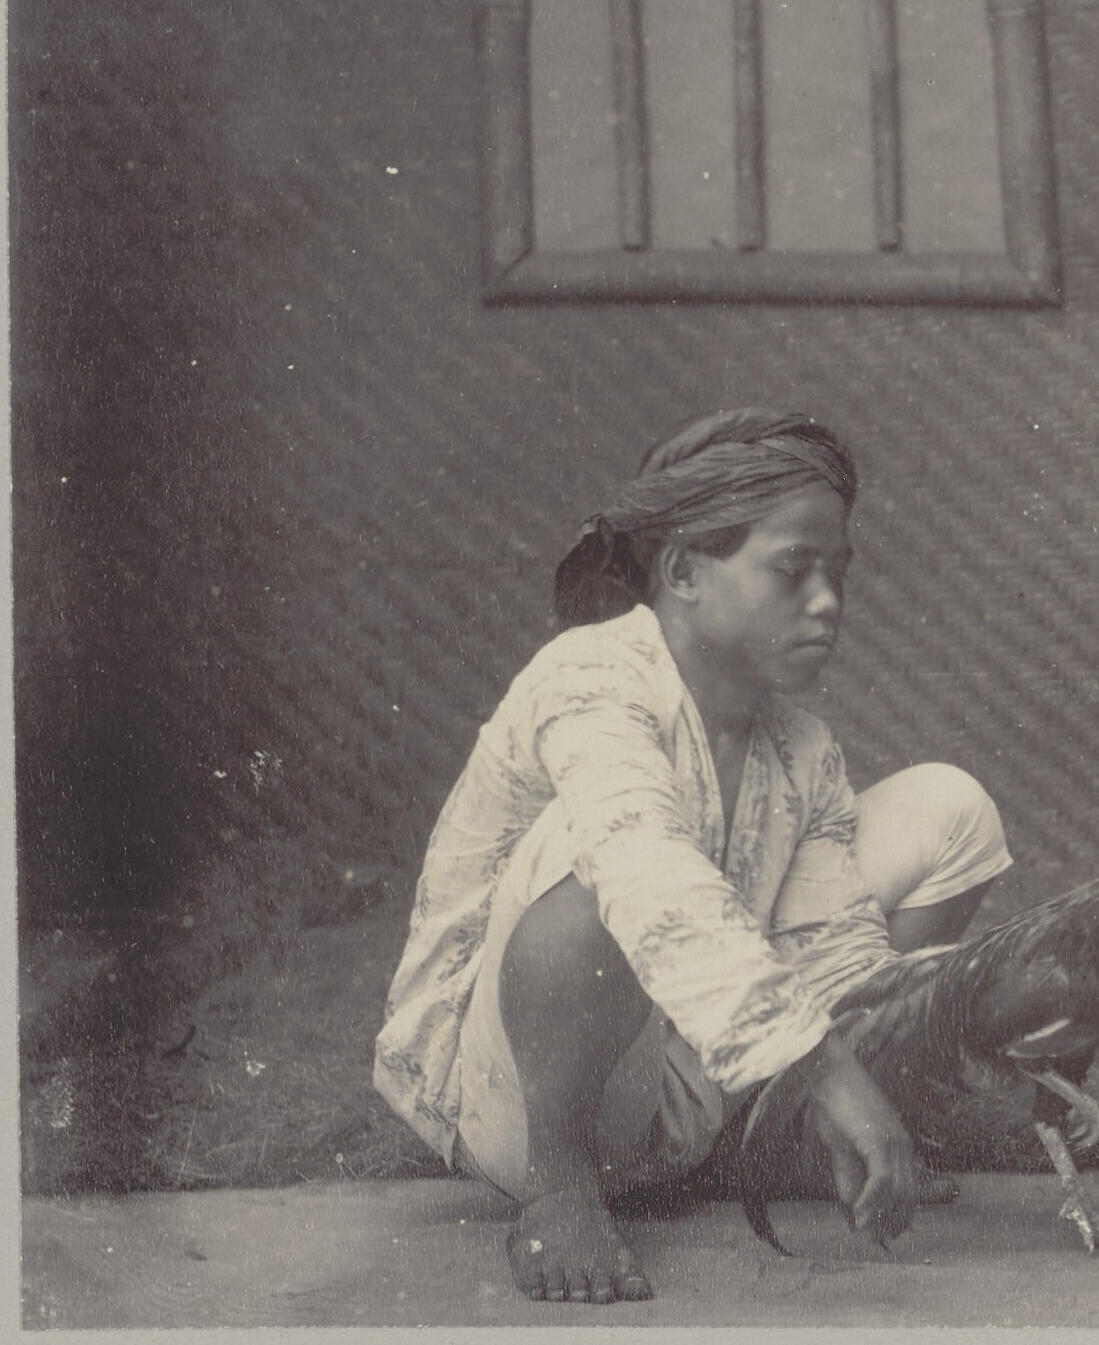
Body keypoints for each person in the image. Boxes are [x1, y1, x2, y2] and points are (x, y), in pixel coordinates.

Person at [372, 408, 1014, 1303]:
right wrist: (830, 1069)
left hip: (684, 1077)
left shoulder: (799, 744)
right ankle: (561, 1192)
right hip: (515, 1097)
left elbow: (832, 941)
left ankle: (787, 1139)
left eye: (838, 571)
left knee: (952, 807)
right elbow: (649, 876)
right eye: (793, 569)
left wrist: (981, 1001)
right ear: (681, 572)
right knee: (598, 850)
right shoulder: (588, 675)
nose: (828, 600)